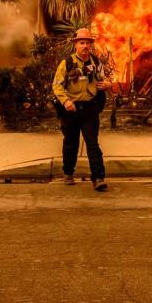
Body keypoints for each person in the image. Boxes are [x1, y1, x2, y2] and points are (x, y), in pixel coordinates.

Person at [52, 28, 111, 191]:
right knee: (71, 143)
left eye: (88, 43)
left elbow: (102, 79)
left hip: (90, 109)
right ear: (75, 45)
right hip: (71, 110)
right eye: (82, 42)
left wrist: (107, 84)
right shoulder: (67, 63)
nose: (85, 46)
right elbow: (57, 86)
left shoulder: (96, 63)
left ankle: (98, 178)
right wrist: (65, 102)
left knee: (93, 144)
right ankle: (68, 173)